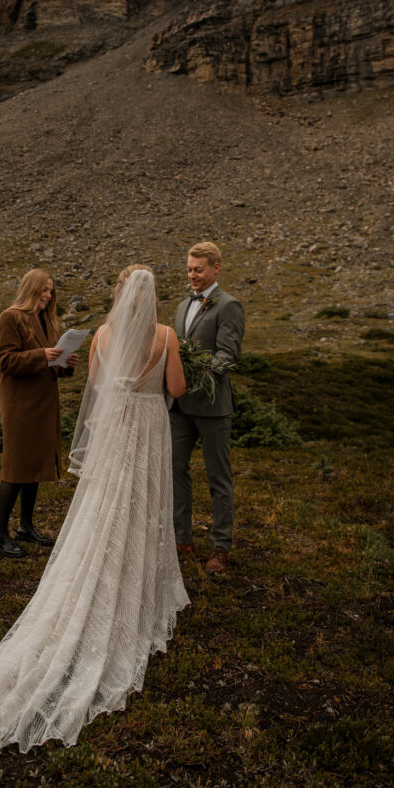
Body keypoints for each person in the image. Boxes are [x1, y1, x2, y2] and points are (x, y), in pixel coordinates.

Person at [0, 265, 189, 752]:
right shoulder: (167, 335)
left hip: (117, 429)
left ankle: (48, 536)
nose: (50, 294)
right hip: (149, 426)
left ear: (118, 294)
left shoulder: (106, 335)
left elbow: (95, 384)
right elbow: (175, 389)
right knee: (142, 496)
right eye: (45, 289)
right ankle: (40, 537)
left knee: (105, 499)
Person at [0, 268, 78, 559]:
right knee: (16, 466)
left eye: (51, 290)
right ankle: (0, 533)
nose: (48, 295)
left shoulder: (48, 321)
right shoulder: (10, 317)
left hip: (44, 403)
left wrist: (66, 362)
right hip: (20, 405)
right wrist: (43, 355)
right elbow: (6, 361)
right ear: (31, 289)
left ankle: (26, 526)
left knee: (34, 465)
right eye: (44, 289)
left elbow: (54, 367)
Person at [169, 241, 244, 575]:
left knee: (218, 478)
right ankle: (180, 538)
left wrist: (201, 371)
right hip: (179, 405)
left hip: (213, 406)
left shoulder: (229, 305)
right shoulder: (182, 305)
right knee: (175, 470)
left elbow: (228, 355)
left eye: (198, 269)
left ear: (216, 268)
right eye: (189, 269)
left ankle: (220, 547)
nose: (192, 275)